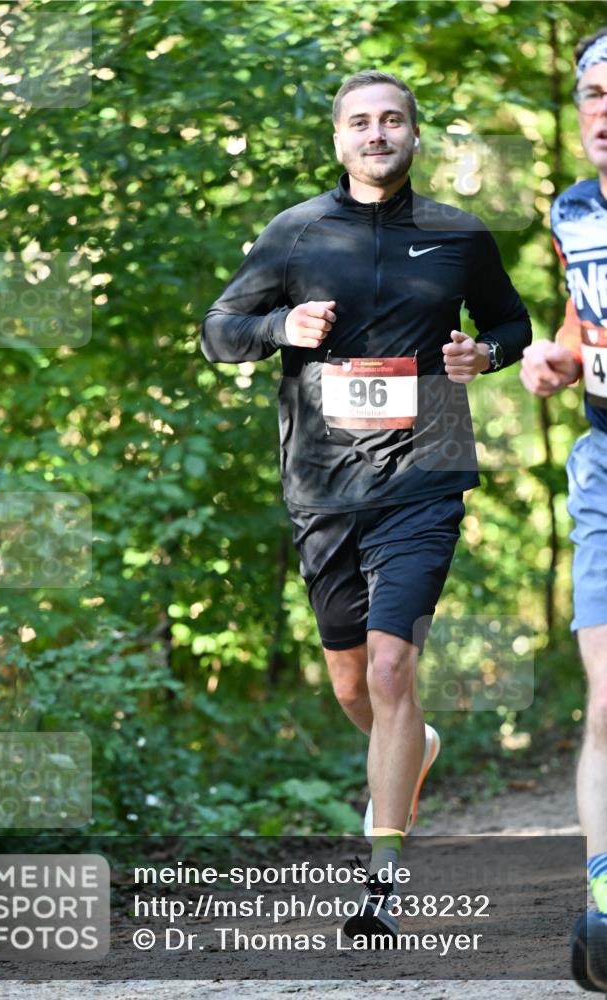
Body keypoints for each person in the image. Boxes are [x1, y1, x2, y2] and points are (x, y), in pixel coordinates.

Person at [202, 69, 531, 945]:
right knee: (353, 676)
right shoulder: (295, 233)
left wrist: (481, 355)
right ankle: (408, 746)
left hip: (423, 476)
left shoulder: (458, 235)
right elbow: (217, 332)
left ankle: (380, 887)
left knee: (392, 667)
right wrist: (281, 329)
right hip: (322, 486)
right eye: (359, 121)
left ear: (415, 136)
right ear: (338, 138)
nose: (376, 133)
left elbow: (512, 325)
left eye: (391, 120)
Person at [520, 27, 607, 993]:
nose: (603, 110)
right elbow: (581, 320)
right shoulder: (572, 209)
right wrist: (556, 355)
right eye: (592, 92)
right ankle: (603, 903)